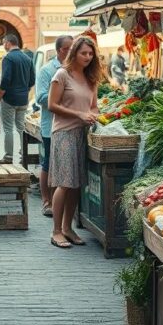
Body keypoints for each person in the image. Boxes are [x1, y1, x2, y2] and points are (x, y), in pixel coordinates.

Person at [47, 36, 101, 249]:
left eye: (90, 53)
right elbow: (52, 104)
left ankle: (68, 228)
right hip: (64, 134)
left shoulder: (91, 78)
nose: (88, 57)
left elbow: (94, 106)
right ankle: (56, 231)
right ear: (74, 53)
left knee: (76, 184)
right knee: (65, 182)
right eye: (83, 53)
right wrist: (79, 114)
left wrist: (92, 114)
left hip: (82, 134)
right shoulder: (62, 74)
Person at [34, 35, 73, 218]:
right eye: (68, 49)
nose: (71, 52)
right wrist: (60, 97)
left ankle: (61, 203)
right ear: (59, 51)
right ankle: (46, 201)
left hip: (71, 126)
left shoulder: (76, 69)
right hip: (51, 125)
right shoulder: (46, 70)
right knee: (48, 164)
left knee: (63, 166)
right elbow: (40, 97)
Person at [0, 33, 34, 165]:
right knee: (20, 127)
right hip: (23, 99)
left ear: (8, 43)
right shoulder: (27, 58)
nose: (3, 46)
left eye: (3, 43)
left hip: (9, 99)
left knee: (8, 128)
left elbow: (6, 79)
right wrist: (25, 91)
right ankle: (23, 153)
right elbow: (32, 80)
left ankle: (8, 156)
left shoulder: (8, 58)